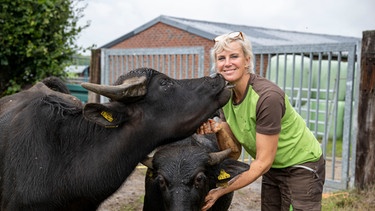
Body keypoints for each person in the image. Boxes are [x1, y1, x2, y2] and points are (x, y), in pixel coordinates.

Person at [197, 31, 325, 211]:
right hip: (273, 166)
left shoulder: (267, 97)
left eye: (234, 56)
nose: (227, 63)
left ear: (247, 60)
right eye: (221, 58)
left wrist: (221, 190)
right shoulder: (226, 95)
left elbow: (262, 162)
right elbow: (233, 152)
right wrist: (218, 130)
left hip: (301, 163)